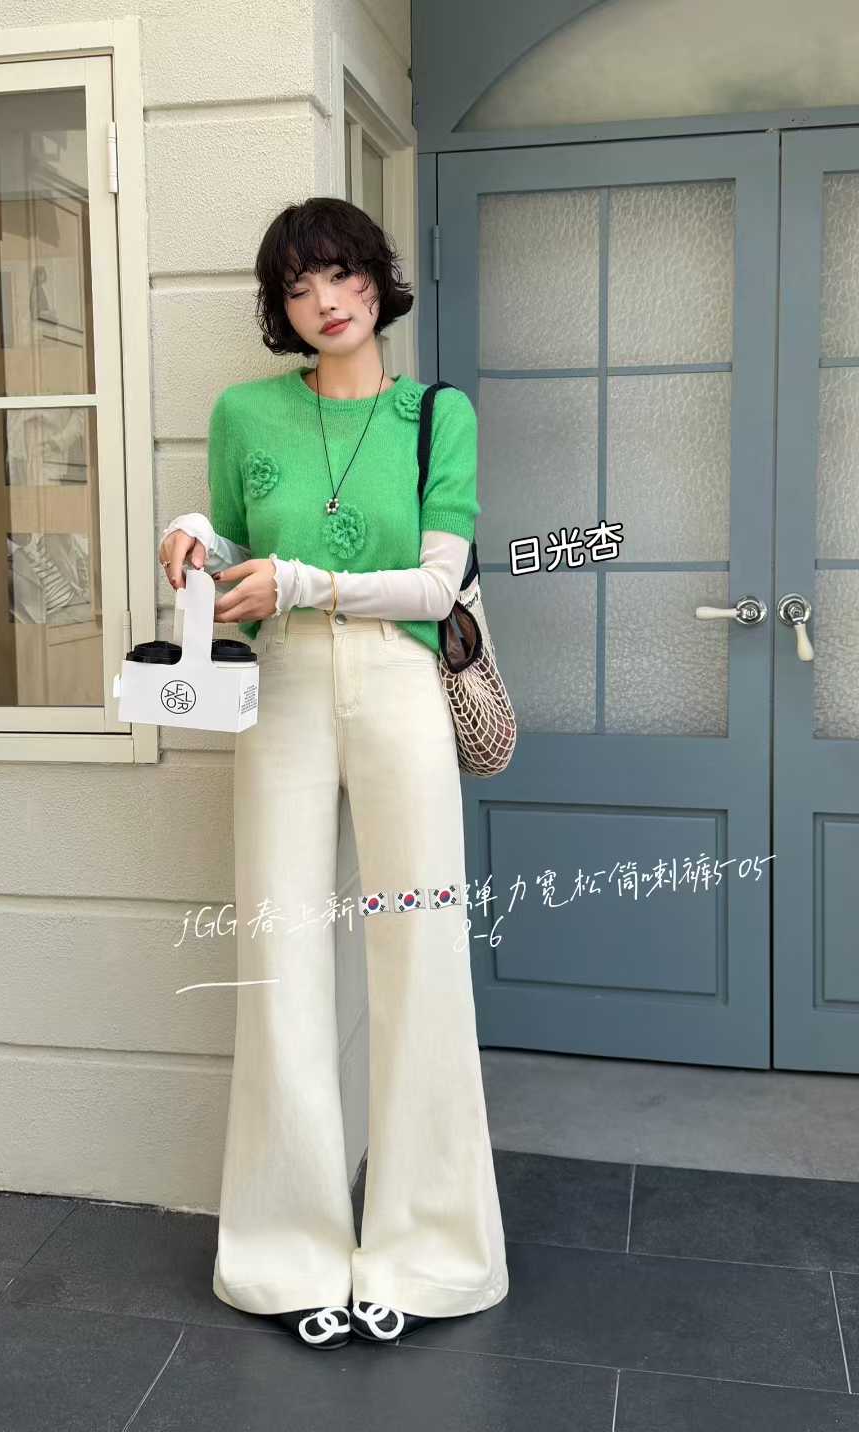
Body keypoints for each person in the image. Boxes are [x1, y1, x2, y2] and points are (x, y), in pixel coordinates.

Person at [158, 198, 509, 1351]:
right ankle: (286, 1252)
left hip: (402, 685)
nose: (326, 299)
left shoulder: (437, 415)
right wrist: (192, 538)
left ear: (378, 279)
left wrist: (307, 581)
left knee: (422, 950)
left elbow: (438, 585)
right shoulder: (244, 412)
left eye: (343, 273)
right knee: (283, 953)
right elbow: (233, 543)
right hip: (287, 691)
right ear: (281, 307)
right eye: (299, 285)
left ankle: (430, 1251)